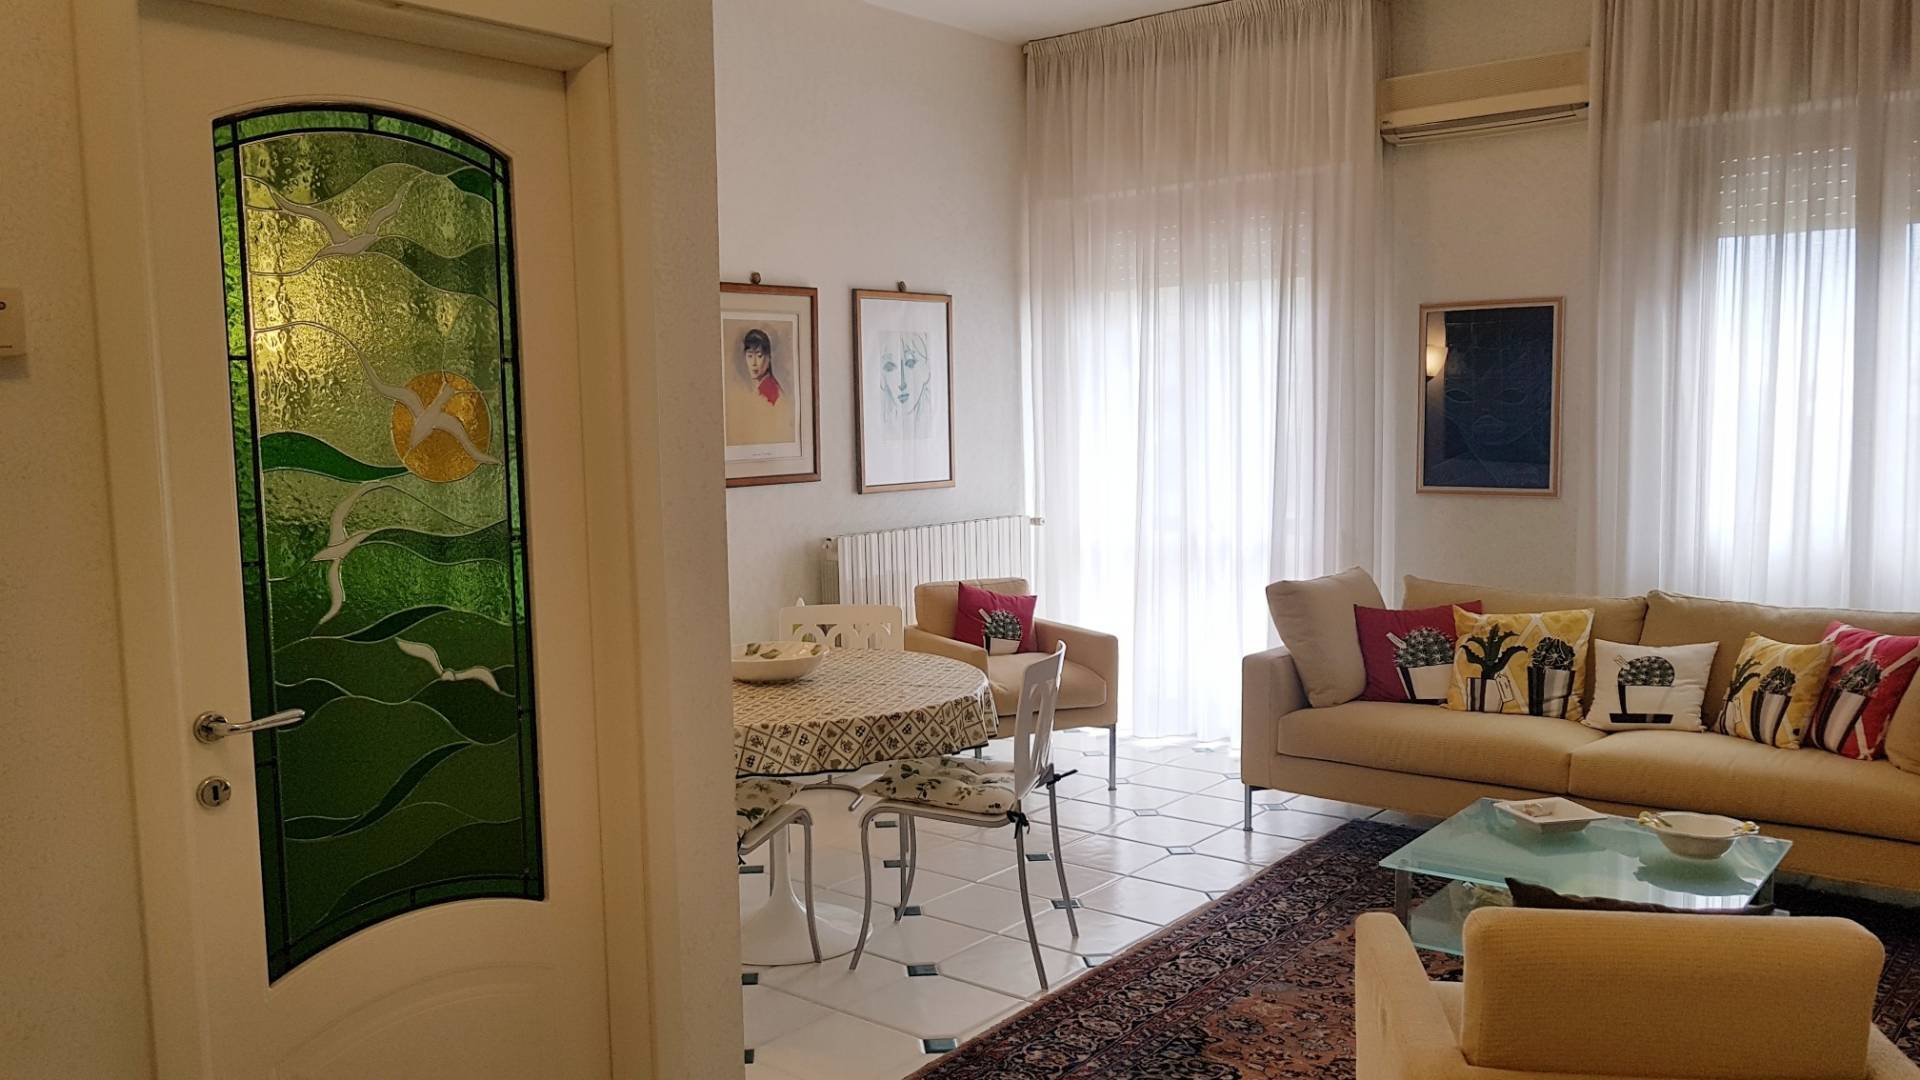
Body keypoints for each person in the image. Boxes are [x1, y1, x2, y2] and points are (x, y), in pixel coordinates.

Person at [743, 328, 781, 405]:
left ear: (768, 358)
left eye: (759, 356)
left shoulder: (771, 391)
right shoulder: (759, 387)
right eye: (750, 356)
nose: (754, 363)